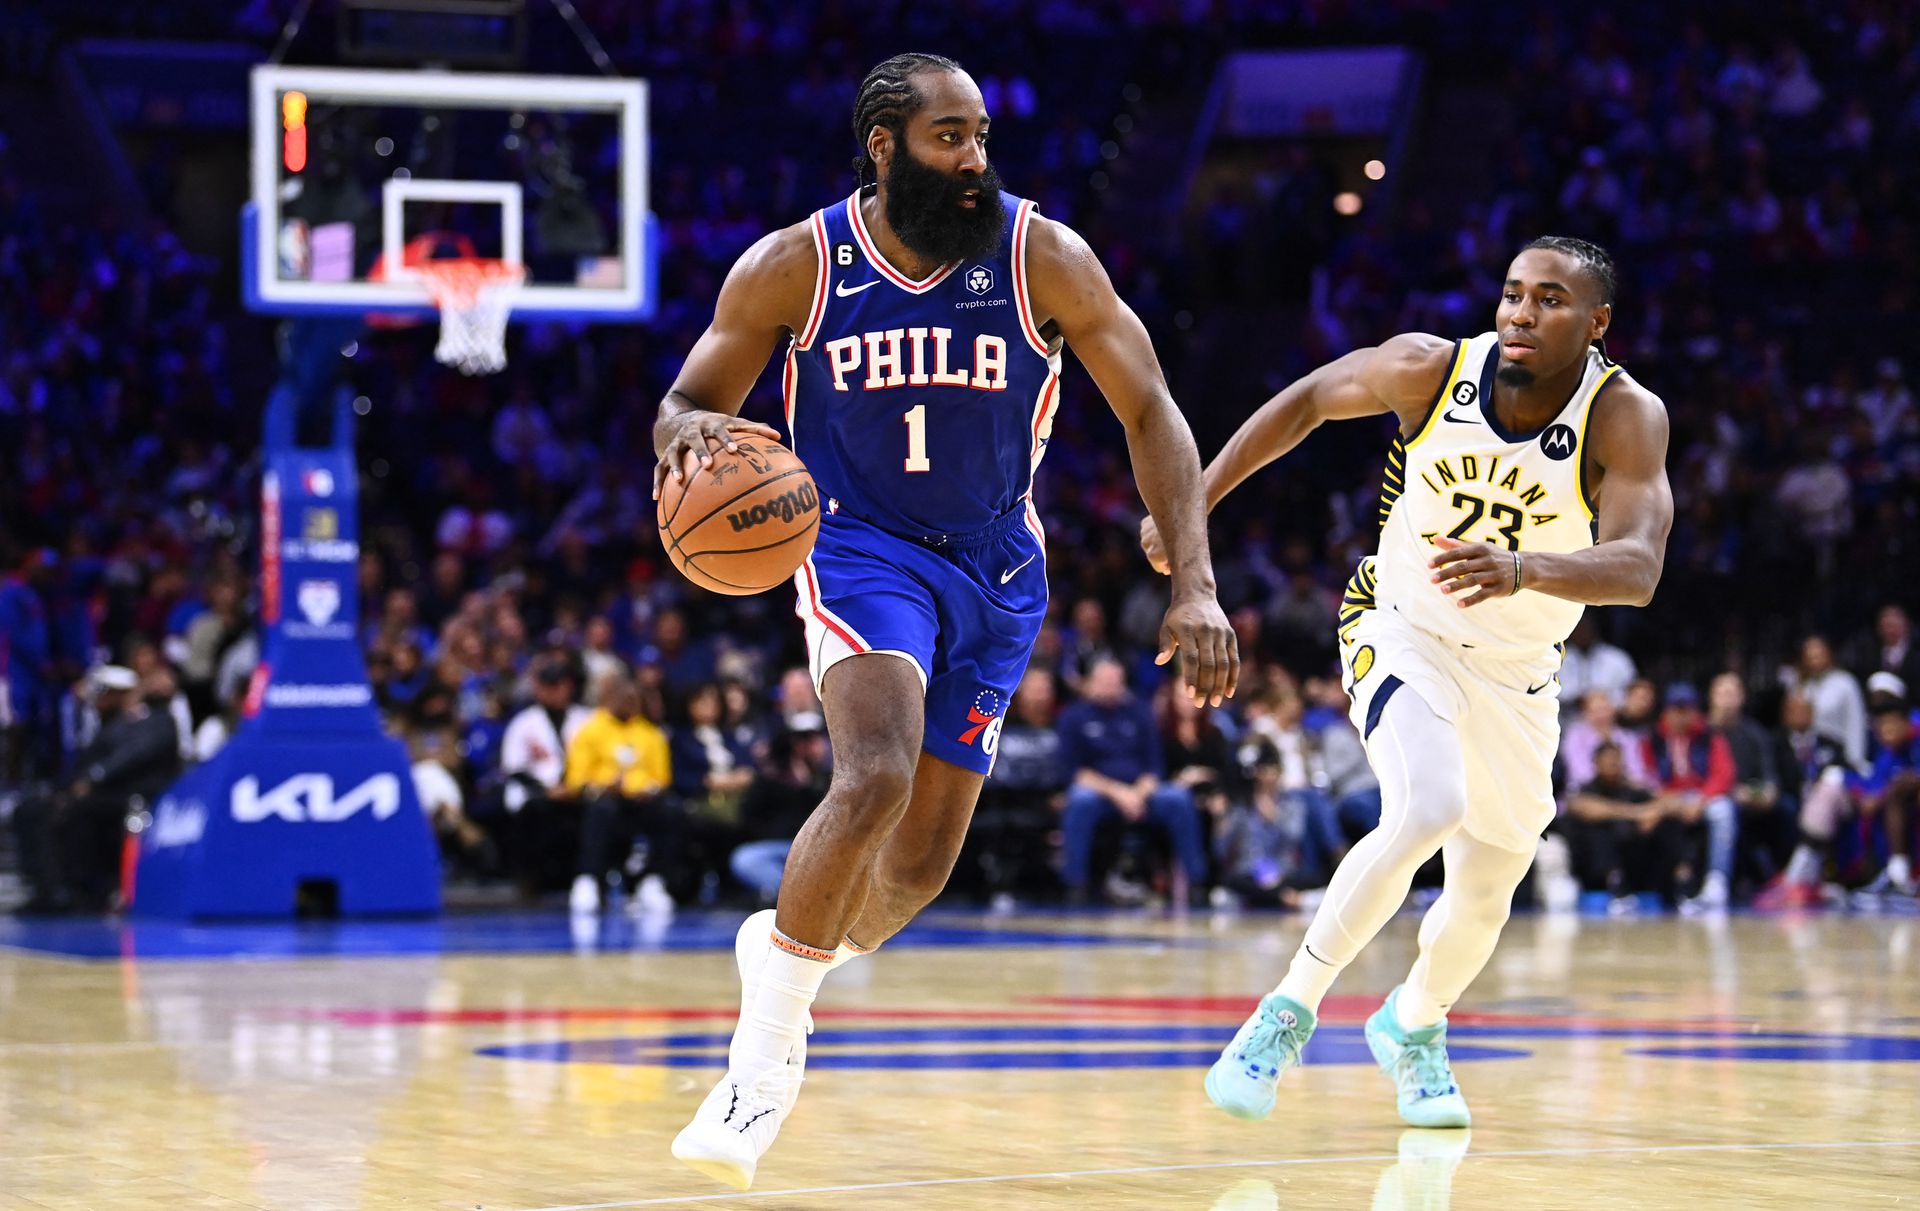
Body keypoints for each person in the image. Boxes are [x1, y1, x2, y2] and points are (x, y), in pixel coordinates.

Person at [658, 52, 1236, 1189]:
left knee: (917, 868)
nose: (974, 161)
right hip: (856, 545)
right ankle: (761, 1064)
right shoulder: (796, 264)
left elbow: (1151, 407)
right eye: (948, 139)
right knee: (871, 774)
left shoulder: (1040, 254)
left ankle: (787, 954)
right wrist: (685, 440)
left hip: (999, 564)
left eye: (980, 137)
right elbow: (689, 398)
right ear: (884, 146)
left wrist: (1197, 577)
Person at [1146, 236, 1672, 1128]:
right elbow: (1310, 399)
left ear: (1597, 322)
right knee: (1426, 803)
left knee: (1489, 886)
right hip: (1402, 626)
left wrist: (1523, 568)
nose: (1521, 313)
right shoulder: (1431, 370)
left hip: (1517, 668)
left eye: (1550, 299)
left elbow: (1638, 567)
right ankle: (1286, 1010)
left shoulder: (1623, 415)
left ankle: (1415, 1025)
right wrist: (1191, 504)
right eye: (1512, 294)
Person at [12, 665, 182, 914]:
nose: (99, 698)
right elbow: (82, 764)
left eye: (107, 692)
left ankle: (79, 891)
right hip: (100, 794)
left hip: (134, 798)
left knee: (76, 813)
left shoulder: (151, 719)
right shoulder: (96, 722)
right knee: (32, 809)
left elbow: (130, 758)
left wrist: (93, 779)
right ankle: (47, 890)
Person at [1057, 656, 1211, 905]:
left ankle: (1196, 882)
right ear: (1091, 682)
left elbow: (1154, 767)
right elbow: (1076, 771)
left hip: (1142, 793)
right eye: (1104, 681)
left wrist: (1137, 794)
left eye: (1115, 681)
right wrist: (1119, 794)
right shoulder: (1074, 716)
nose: (1110, 686)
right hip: (1100, 793)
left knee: (1178, 798)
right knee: (1079, 800)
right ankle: (1075, 883)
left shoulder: (1139, 713)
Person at [561, 672, 674, 914]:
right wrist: (604, 787)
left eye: (632, 698)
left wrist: (648, 790)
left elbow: (662, 778)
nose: (627, 702)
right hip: (603, 799)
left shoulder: (651, 734)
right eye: (621, 697)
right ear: (607, 698)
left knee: (672, 810)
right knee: (602, 809)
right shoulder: (590, 731)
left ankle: (651, 881)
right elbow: (576, 780)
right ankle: (588, 880)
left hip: (642, 801)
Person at [1559, 741, 1689, 907]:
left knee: (1669, 824)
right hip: (1595, 866)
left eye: (1616, 759)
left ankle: (1681, 883)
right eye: (1608, 760)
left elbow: (1674, 803)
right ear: (1596, 763)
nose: (1613, 764)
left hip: (1635, 858)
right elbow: (1581, 807)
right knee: (1597, 828)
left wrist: (1655, 813)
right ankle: (1615, 885)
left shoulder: (1634, 789)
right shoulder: (1586, 789)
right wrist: (1636, 813)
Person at [1646, 682, 1737, 912]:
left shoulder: (1709, 737)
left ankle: (1717, 880)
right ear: (1666, 712)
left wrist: (1701, 800)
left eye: (1686, 710)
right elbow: (1647, 775)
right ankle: (1672, 886)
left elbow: (1723, 775)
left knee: (1723, 811)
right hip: (1666, 797)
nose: (1681, 716)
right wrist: (1666, 799)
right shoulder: (1653, 739)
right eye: (1676, 710)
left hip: (1701, 797)